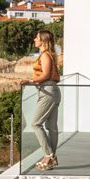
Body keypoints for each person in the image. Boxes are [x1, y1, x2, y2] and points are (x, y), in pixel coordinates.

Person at [27, 29, 62, 171]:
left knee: (35, 124)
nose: (34, 40)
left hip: (47, 91)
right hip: (52, 91)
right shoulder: (49, 55)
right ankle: (51, 159)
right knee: (52, 128)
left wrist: (29, 80)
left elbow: (46, 74)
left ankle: (48, 154)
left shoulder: (45, 56)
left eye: (36, 38)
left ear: (42, 40)